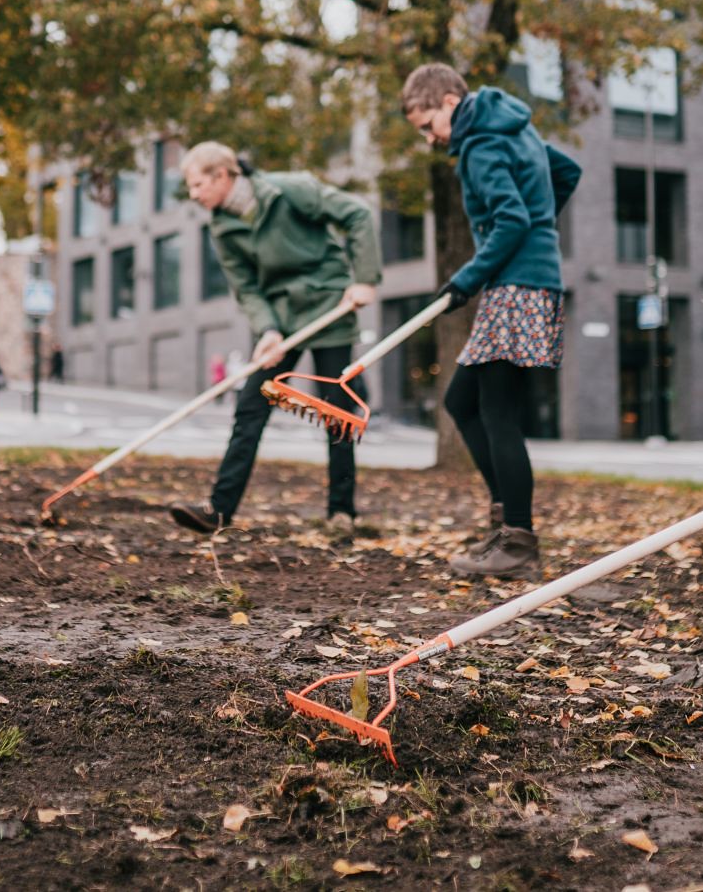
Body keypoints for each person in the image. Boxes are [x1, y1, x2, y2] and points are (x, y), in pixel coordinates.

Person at [402, 64, 580, 579]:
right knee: (462, 401)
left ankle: (518, 542)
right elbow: (565, 172)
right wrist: (542, 226)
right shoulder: (514, 127)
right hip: (528, 281)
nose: (429, 138)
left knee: (495, 411)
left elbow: (513, 220)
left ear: (450, 102)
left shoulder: (479, 147)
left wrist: (464, 280)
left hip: (516, 287)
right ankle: (505, 528)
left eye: (427, 123)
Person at [167, 143, 382, 537]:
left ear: (223, 175)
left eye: (198, 184)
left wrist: (365, 278)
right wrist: (267, 330)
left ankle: (341, 511)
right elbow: (246, 287)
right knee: (251, 406)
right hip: (281, 322)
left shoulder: (291, 189)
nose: (194, 194)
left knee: (336, 410)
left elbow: (357, 213)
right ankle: (219, 510)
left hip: (328, 306)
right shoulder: (221, 224)